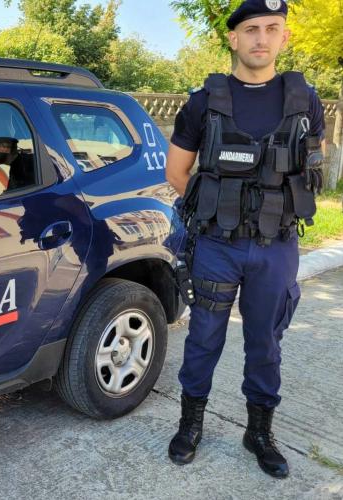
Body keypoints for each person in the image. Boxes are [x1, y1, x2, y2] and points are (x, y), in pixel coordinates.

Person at [164, 0, 326, 478]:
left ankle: (258, 432)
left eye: (272, 28)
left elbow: (311, 171)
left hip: (277, 246)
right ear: (233, 38)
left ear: (284, 38)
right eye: (251, 29)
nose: (261, 38)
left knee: (266, 343)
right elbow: (176, 173)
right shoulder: (204, 101)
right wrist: (220, 207)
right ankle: (190, 425)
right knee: (203, 338)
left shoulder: (305, 101)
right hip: (217, 244)